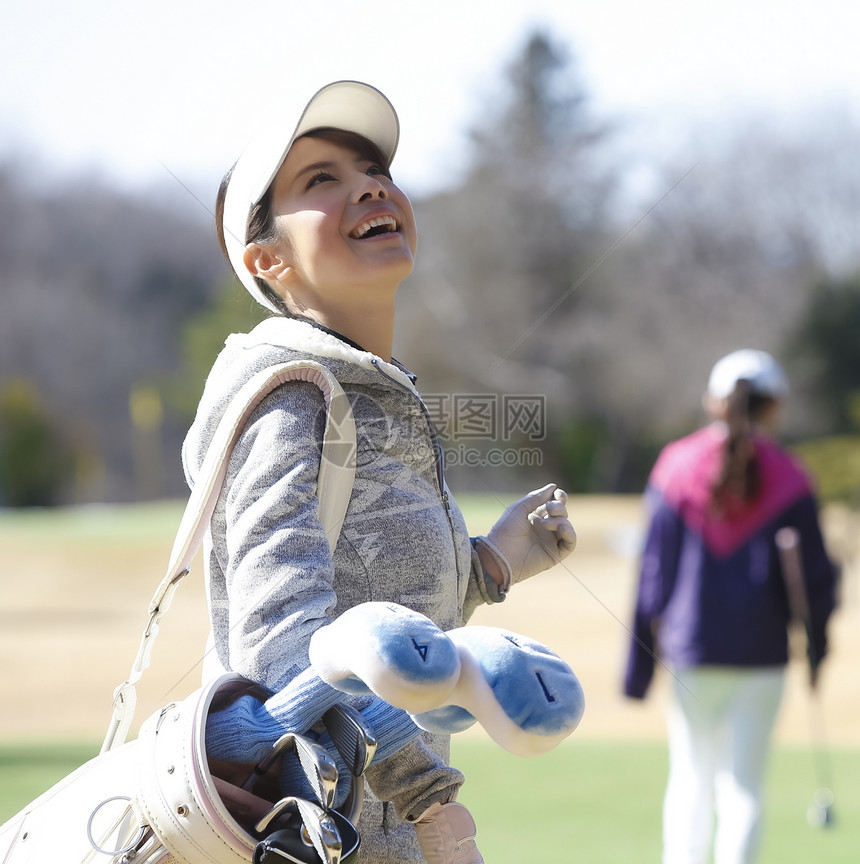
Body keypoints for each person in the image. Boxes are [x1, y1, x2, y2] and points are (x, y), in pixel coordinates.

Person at [182, 80, 577, 864]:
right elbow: (283, 652)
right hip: (313, 840)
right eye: (320, 179)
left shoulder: (366, 388)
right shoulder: (292, 396)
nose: (371, 184)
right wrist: (429, 798)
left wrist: (490, 564)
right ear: (268, 260)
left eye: (374, 168)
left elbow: (370, 609)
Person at [624, 349, 837, 864]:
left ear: (714, 403)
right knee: (743, 788)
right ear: (776, 407)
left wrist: (638, 669)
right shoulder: (792, 475)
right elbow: (816, 582)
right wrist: (816, 652)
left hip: (691, 653)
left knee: (691, 780)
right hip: (763, 658)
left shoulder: (675, 466)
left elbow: (653, 573)